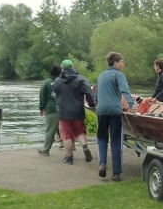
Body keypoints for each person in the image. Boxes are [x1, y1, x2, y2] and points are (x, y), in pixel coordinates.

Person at [95, 51, 135, 182]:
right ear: (115, 63)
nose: (123, 64)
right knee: (116, 140)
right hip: (114, 111)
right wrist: (131, 105)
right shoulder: (118, 75)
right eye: (122, 62)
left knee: (101, 138)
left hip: (101, 111)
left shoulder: (101, 75)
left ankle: (102, 164)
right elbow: (125, 90)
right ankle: (116, 173)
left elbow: (96, 96)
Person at [54, 59, 95, 164]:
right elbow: (89, 93)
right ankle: (85, 146)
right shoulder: (80, 79)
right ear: (72, 67)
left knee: (66, 135)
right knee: (79, 131)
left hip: (63, 112)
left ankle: (69, 157)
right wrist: (92, 104)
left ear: (62, 68)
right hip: (77, 111)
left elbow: (56, 95)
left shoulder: (57, 81)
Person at [37, 64, 62, 156]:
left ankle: (45, 150)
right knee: (63, 128)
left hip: (51, 108)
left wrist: (41, 108)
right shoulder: (63, 82)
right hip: (63, 109)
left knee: (50, 130)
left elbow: (42, 96)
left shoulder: (47, 83)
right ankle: (69, 146)